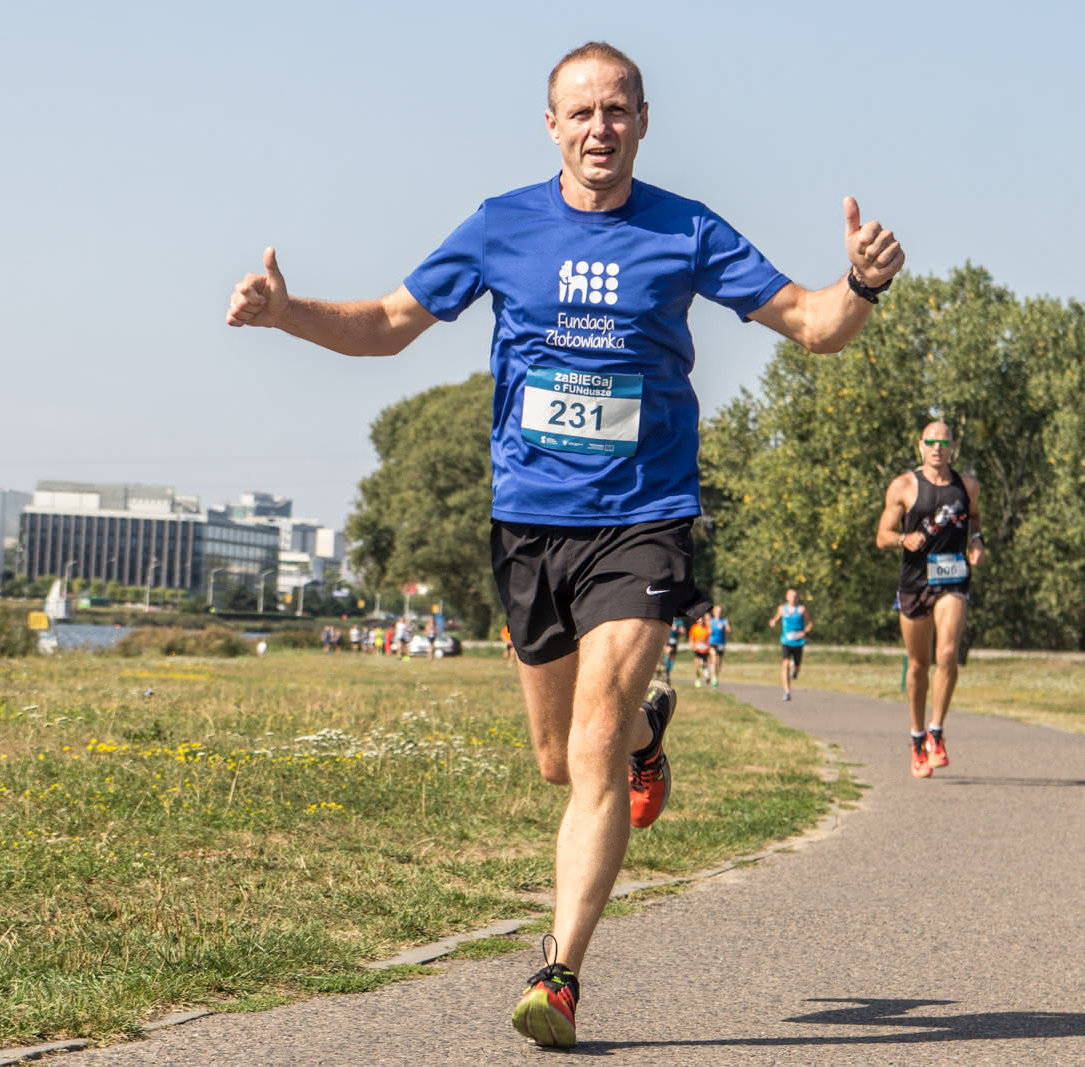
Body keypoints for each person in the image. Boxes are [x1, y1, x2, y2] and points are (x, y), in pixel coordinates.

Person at [226, 41, 903, 1048]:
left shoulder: (685, 228)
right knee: (560, 757)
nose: (599, 128)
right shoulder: (503, 225)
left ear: (642, 119)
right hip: (529, 523)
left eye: (617, 110)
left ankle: (560, 972)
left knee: (588, 745)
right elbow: (387, 321)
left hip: (644, 516)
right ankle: (647, 735)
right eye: (580, 112)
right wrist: (287, 314)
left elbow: (810, 321)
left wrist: (859, 281)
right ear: (551, 126)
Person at [876, 420, 984, 778]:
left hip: (952, 579)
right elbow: (882, 535)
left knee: (947, 653)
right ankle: (917, 737)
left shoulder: (967, 486)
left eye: (944, 441)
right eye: (931, 442)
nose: (937, 447)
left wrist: (977, 542)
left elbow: (975, 519)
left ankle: (937, 732)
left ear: (953, 447)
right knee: (918, 664)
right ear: (920, 446)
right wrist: (901, 540)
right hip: (913, 582)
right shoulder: (904, 486)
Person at [768, 588, 811, 701]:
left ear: (798, 598)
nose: (793, 598)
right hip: (786, 641)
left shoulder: (801, 609)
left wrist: (804, 632)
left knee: (797, 666)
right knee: (785, 664)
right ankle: (787, 692)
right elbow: (776, 618)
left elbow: (810, 623)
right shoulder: (782, 609)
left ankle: (795, 672)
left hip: (799, 642)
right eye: (791, 596)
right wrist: (773, 622)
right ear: (787, 597)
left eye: (795, 596)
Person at [706, 604, 730, 687]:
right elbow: (708, 632)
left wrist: (724, 628)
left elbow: (728, 630)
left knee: (719, 662)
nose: (719, 613)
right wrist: (710, 630)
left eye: (720, 612)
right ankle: (713, 677)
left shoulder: (724, 621)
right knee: (714, 659)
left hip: (721, 643)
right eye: (717, 611)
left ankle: (715, 675)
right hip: (713, 643)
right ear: (714, 612)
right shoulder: (711, 621)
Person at [659, 614, 686, 685]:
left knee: (672, 658)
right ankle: (665, 671)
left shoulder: (679, 621)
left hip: (675, 642)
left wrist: (678, 630)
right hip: (666, 641)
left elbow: (683, 632)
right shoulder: (667, 617)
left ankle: (667, 672)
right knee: (668, 654)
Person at [687, 613, 712, 687]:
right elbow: (691, 639)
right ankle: (697, 680)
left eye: (702, 619)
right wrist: (692, 646)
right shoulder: (694, 628)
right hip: (697, 649)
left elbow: (710, 639)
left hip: (705, 650)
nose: (700, 621)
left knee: (705, 665)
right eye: (699, 619)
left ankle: (707, 675)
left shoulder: (706, 628)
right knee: (697, 666)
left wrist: (709, 647)